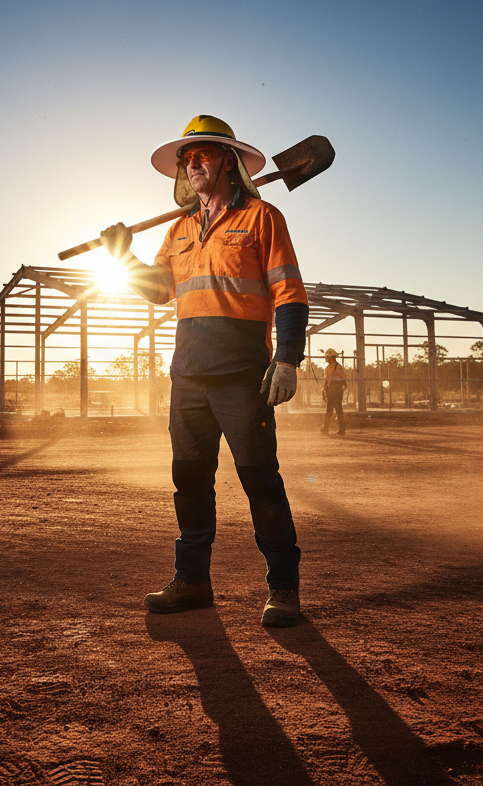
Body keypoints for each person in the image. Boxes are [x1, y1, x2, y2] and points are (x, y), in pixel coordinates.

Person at [101, 115, 309, 627]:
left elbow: (289, 292)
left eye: (205, 154)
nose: (193, 163)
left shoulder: (263, 217)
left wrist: (286, 359)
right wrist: (121, 259)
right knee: (189, 481)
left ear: (229, 162)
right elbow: (158, 292)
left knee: (259, 479)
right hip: (188, 374)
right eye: (186, 158)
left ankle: (283, 589)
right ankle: (191, 580)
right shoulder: (177, 231)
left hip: (243, 373)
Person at [321, 349, 346, 435]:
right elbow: (326, 380)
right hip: (331, 389)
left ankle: (341, 429)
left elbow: (343, 380)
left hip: (336, 389)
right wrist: (325, 390)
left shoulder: (339, 367)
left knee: (338, 410)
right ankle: (325, 428)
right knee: (329, 410)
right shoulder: (328, 368)